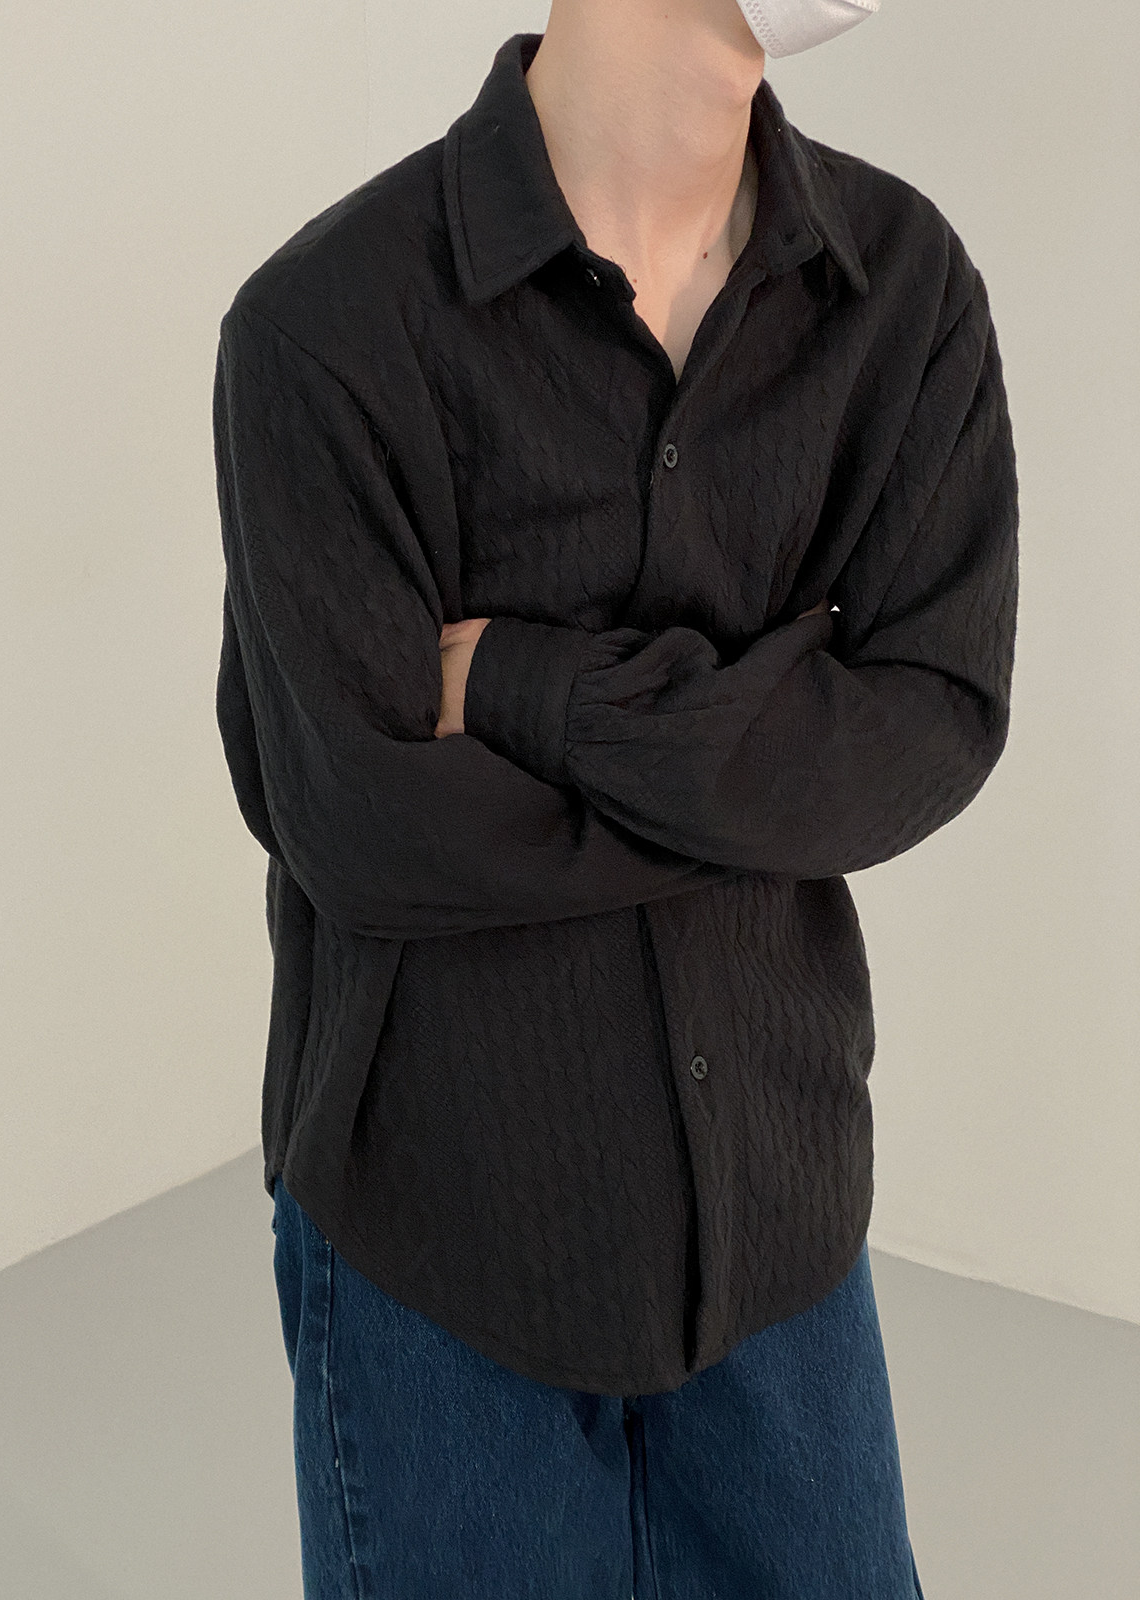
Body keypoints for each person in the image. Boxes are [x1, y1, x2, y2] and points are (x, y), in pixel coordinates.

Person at [212, 2, 1018, 1596]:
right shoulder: (325, 326)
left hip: (779, 1225)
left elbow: (933, 722)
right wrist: (770, 741)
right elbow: (364, 832)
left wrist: (528, 687)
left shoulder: (903, 288)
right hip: (442, 1242)